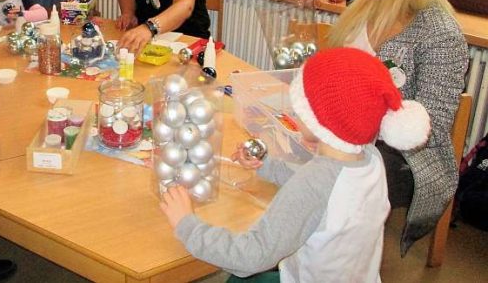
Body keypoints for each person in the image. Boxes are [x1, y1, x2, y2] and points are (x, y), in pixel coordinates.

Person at [161, 47, 432, 283]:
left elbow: (252, 256)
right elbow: (325, 189)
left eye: (299, 105)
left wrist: (187, 224)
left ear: (318, 121)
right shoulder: (370, 159)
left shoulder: (316, 181)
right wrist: (267, 164)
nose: (292, 110)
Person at [302, 0, 469, 254]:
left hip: (401, 159)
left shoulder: (440, 35)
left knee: (315, 186)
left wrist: (353, 124)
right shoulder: (370, 1)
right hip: (344, 135)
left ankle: (305, 257)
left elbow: (429, 130)